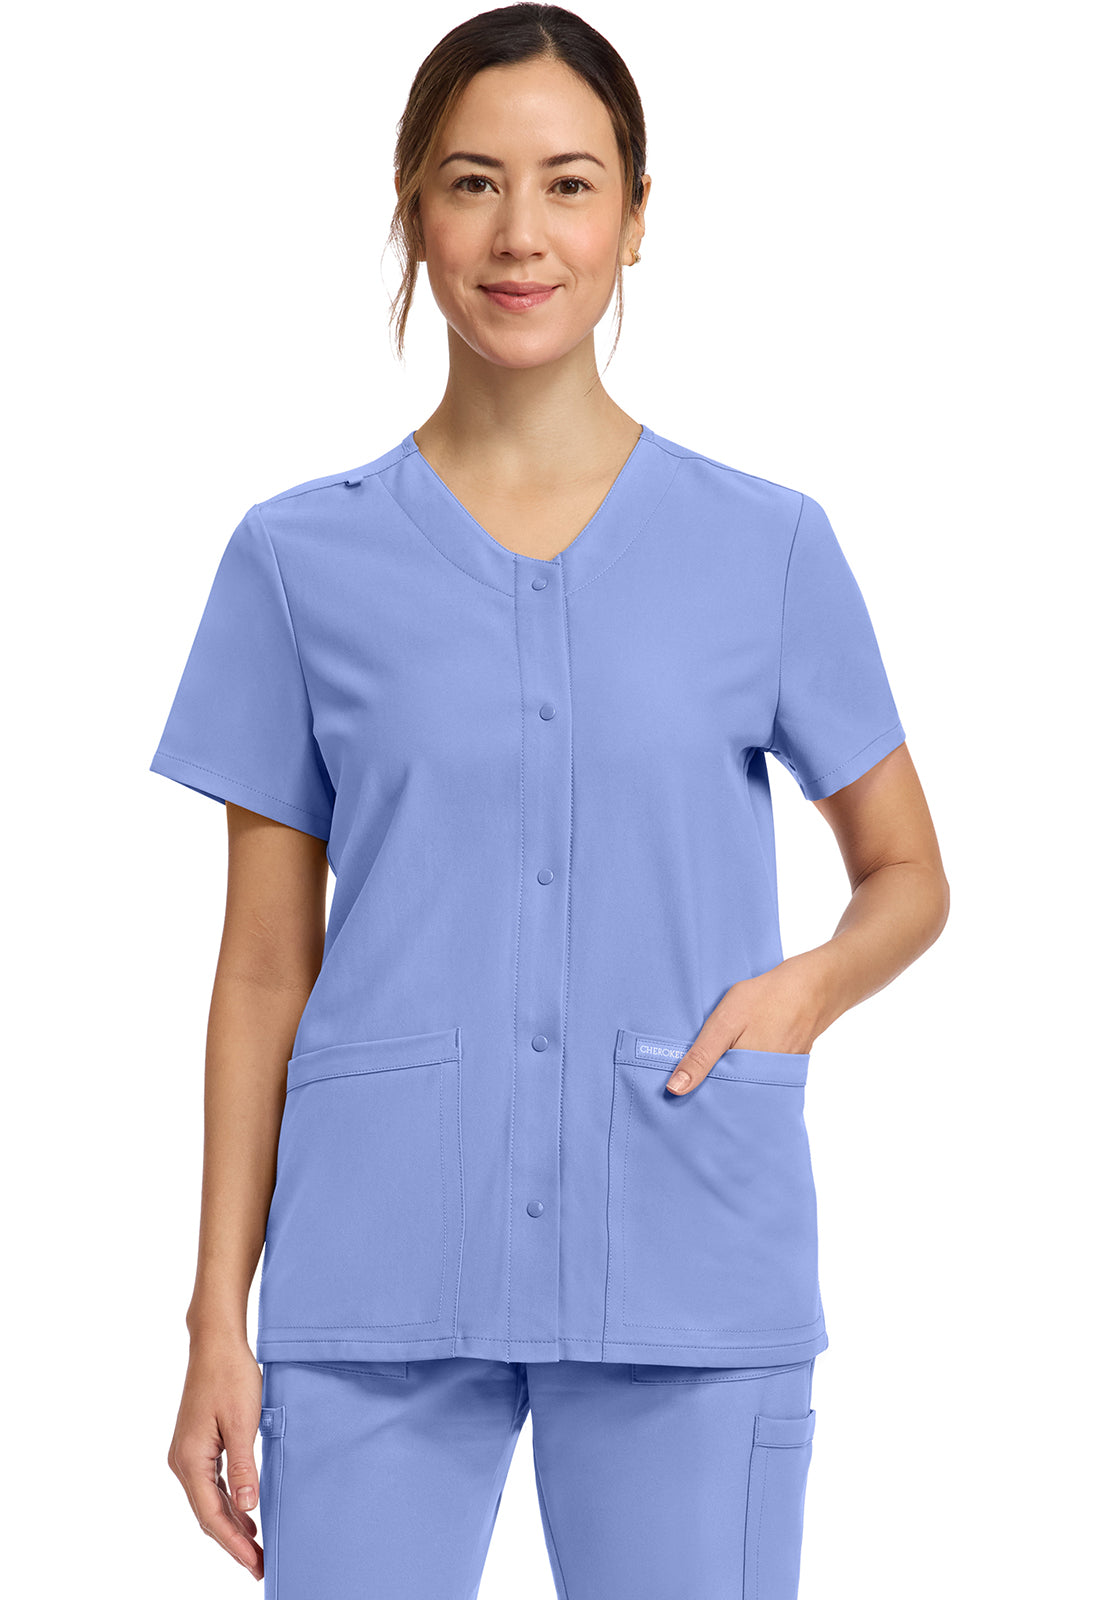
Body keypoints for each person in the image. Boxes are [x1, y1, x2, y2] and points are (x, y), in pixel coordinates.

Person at [152, 5, 950, 1596]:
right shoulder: (298, 561)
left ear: (636, 218)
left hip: (688, 1245)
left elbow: (908, 873)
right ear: (414, 210)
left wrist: (798, 998)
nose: (521, 234)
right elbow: (262, 968)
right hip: (374, 1271)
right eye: (473, 183)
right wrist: (213, 1319)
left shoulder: (768, 548)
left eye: (570, 184)